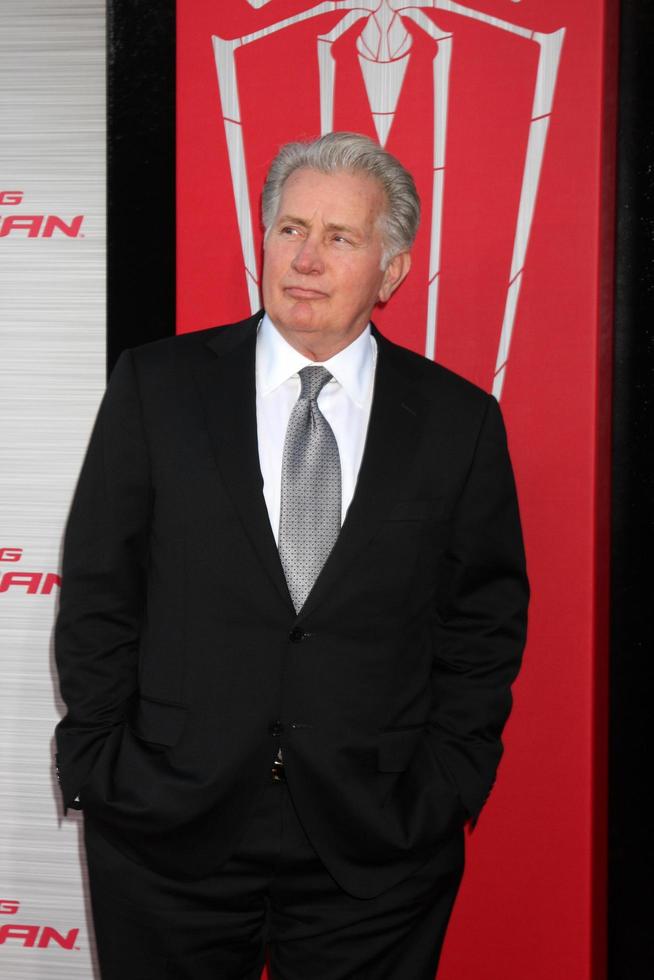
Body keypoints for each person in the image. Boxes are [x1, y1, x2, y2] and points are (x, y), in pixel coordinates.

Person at [54, 132, 529, 980]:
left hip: (376, 843)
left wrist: (448, 782)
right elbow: (100, 589)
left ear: (392, 271)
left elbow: (483, 622)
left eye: (339, 238)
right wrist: (101, 762)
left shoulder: (459, 423)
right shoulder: (156, 387)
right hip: (168, 828)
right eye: (289, 229)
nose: (305, 258)